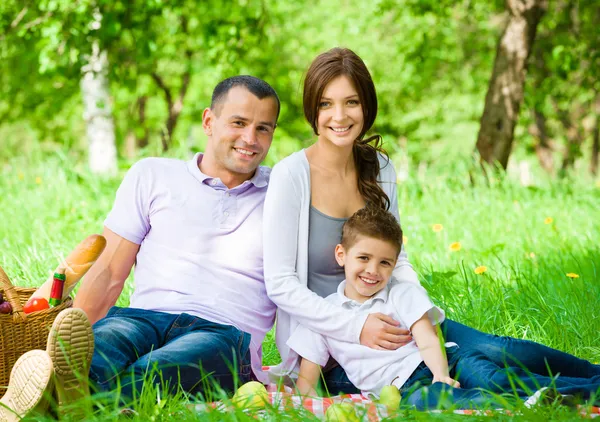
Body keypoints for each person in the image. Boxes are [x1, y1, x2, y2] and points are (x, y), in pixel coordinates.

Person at [262, 47, 600, 394]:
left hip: (395, 312)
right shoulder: (291, 175)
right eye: (325, 104)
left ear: (366, 106)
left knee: (494, 348)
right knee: (477, 370)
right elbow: (280, 283)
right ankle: (564, 396)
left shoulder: (379, 167)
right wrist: (356, 326)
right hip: (337, 348)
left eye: (351, 102)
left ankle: (595, 377)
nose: (339, 115)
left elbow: (399, 257)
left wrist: (415, 311)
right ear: (311, 109)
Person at [72, 75, 281, 401]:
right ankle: (78, 396)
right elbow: (110, 273)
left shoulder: (285, 194)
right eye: (238, 123)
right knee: (98, 351)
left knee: (157, 369)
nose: (250, 138)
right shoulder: (152, 175)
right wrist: (75, 340)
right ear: (209, 121)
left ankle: (86, 405)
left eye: (263, 128)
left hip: (221, 335)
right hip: (141, 320)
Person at [288, 206, 600, 410]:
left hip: (445, 361)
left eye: (385, 262)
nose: (373, 270)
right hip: (404, 389)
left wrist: (440, 373)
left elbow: (427, 337)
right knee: (431, 403)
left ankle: (586, 387)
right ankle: (532, 402)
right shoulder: (324, 313)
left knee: (496, 377)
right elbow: (308, 376)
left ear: (395, 265)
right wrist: (313, 408)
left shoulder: (400, 294)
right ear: (342, 255)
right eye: (363, 258)